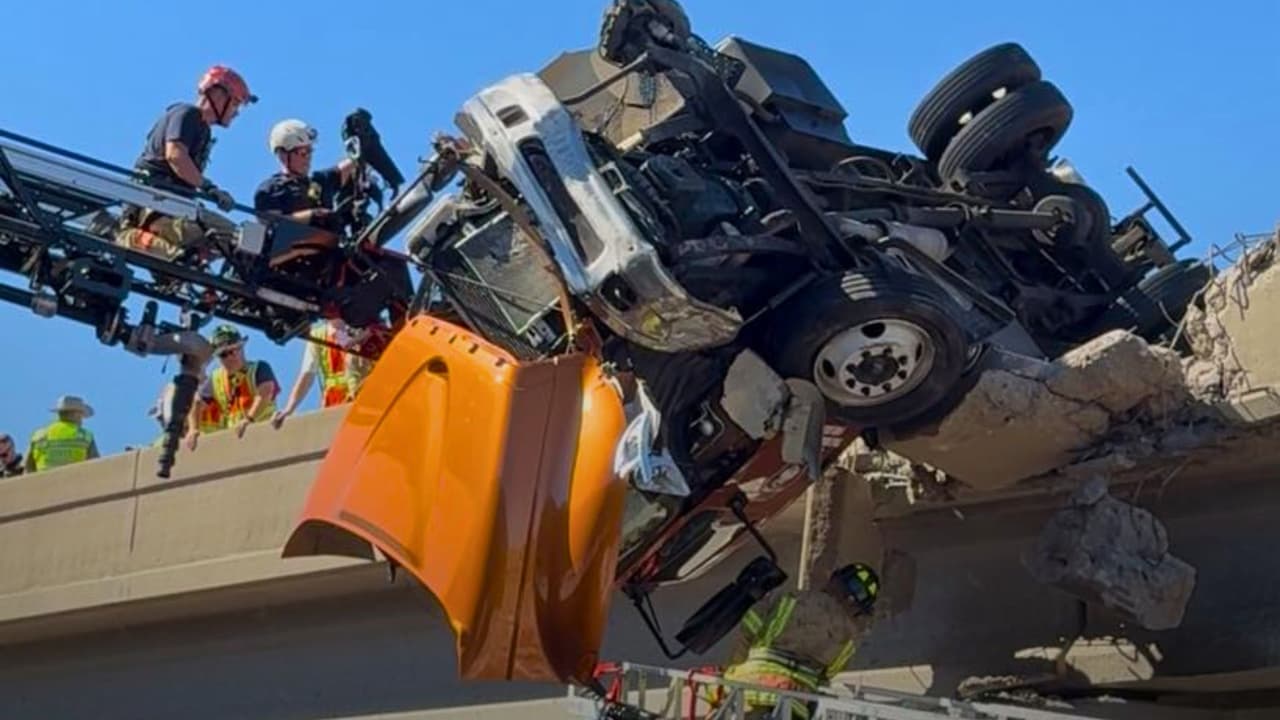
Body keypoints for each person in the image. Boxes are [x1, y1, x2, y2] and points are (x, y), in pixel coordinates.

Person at [116, 65, 256, 262]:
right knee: (240, 238)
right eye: (235, 104)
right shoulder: (188, 114)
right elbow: (176, 156)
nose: (236, 113)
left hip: (166, 209)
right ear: (217, 95)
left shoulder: (202, 130)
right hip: (163, 208)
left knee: (221, 246)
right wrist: (209, 188)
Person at [720, 563, 880, 720]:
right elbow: (827, 675)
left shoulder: (789, 597)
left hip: (749, 690)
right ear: (858, 608)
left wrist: (731, 671)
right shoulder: (849, 639)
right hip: (793, 705)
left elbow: (748, 628)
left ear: (833, 579)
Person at [185, 324, 279, 450]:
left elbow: (265, 392)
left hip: (265, 431)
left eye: (234, 350)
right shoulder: (216, 378)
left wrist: (249, 419)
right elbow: (196, 402)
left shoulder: (258, 368)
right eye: (224, 354)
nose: (231, 356)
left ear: (242, 347)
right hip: (238, 437)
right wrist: (193, 429)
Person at [253, 118, 356, 230]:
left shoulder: (319, 181)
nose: (308, 158)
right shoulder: (270, 189)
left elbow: (349, 166)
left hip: (330, 245)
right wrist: (313, 216)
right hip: (295, 246)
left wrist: (361, 147)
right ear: (283, 154)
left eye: (310, 151)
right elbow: (271, 225)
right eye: (303, 153)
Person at [272, 318, 373, 427]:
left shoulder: (363, 330)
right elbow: (307, 374)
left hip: (363, 398)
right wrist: (289, 409)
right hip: (335, 404)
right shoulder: (318, 336)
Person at [25, 395, 100, 473]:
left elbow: (27, 469)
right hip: (75, 480)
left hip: (42, 483)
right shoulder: (84, 436)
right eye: (81, 415)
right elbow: (96, 467)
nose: (81, 420)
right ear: (76, 414)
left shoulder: (38, 435)